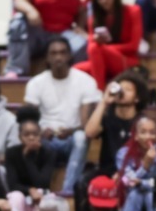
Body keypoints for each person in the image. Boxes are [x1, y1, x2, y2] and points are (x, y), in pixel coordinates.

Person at [24, 37, 100, 198]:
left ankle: (68, 191)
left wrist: (71, 131)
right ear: (47, 57)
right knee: (32, 137)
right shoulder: (36, 83)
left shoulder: (85, 81)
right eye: (53, 53)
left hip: (72, 139)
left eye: (62, 53)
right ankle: (40, 191)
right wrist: (41, 132)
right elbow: (29, 120)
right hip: (46, 140)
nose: (58, 57)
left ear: (70, 56)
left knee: (81, 137)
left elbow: (85, 125)